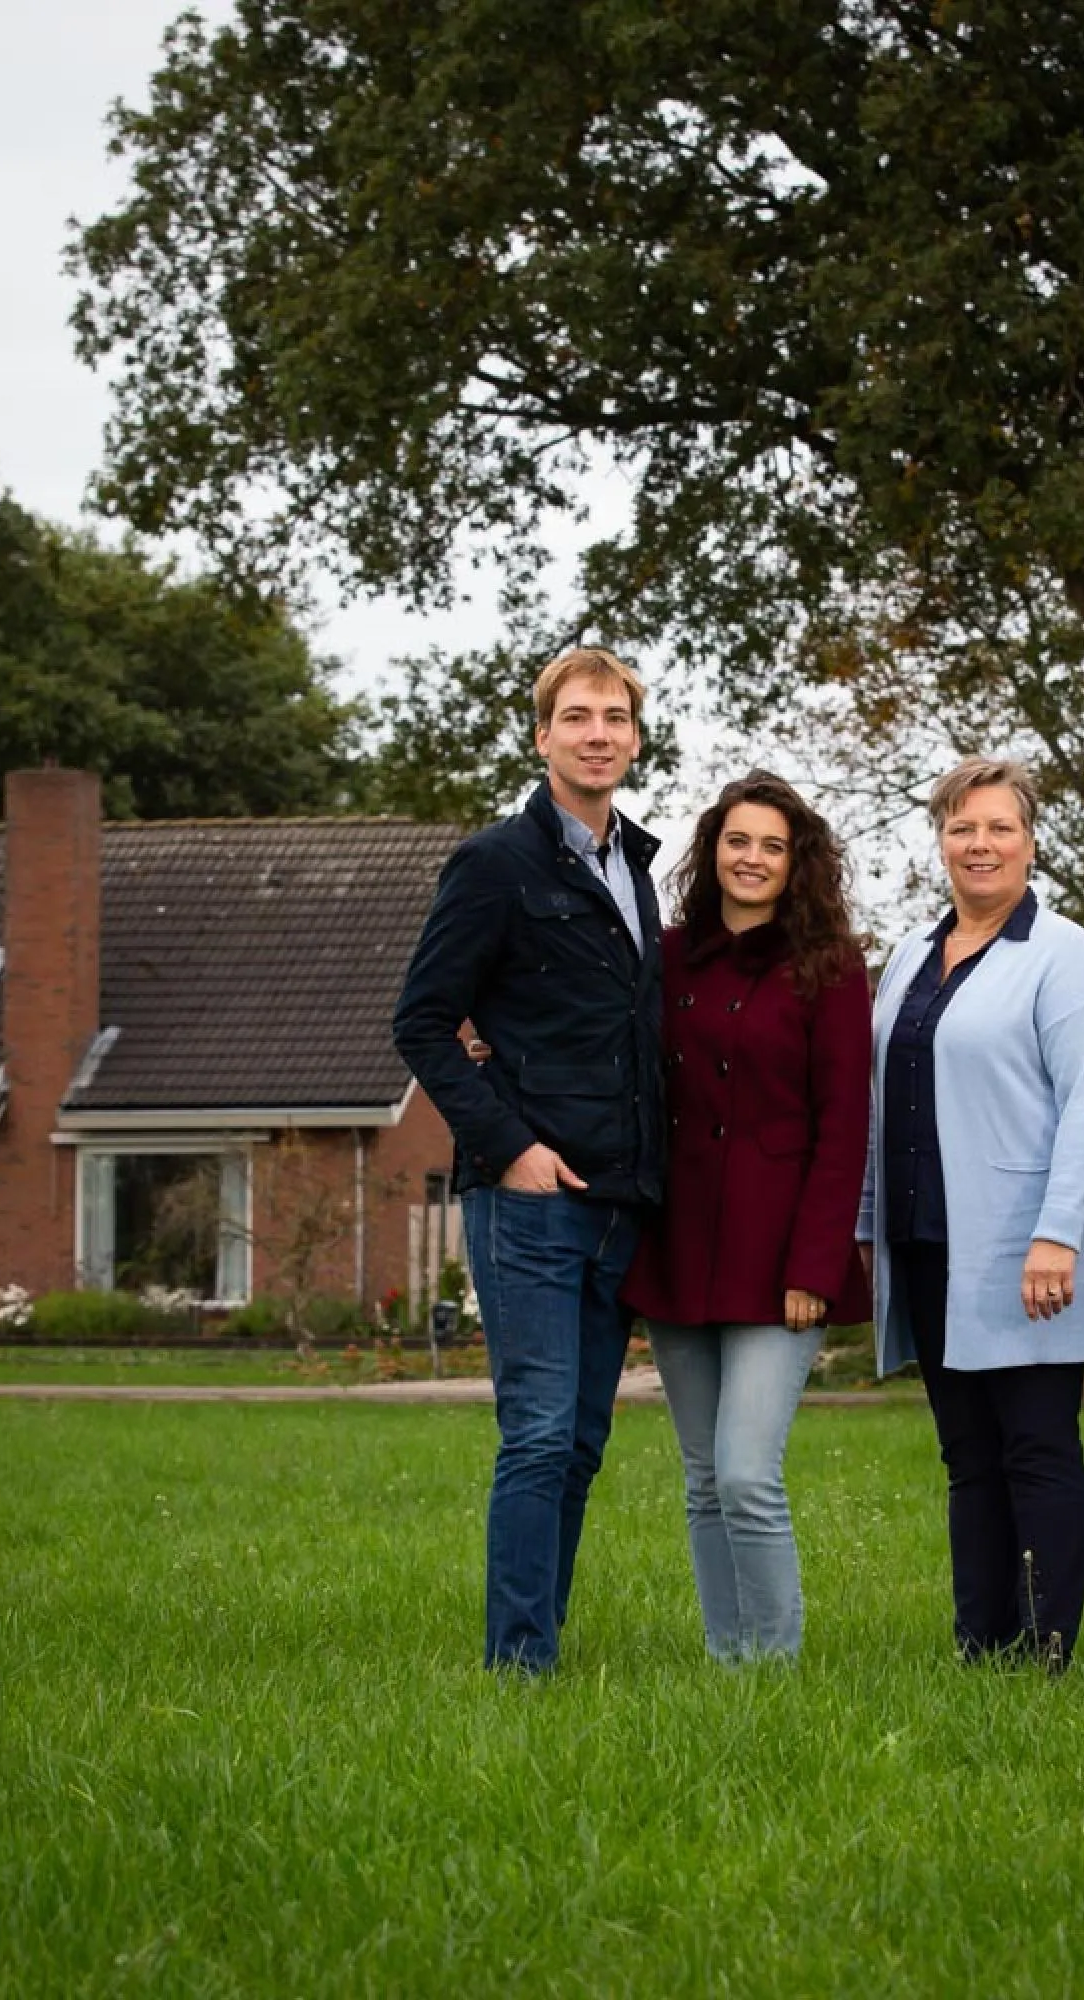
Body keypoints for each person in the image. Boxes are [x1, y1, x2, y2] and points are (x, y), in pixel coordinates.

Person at [391, 645, 663, 1676]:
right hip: (529, 1202)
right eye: (578, 715)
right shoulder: (495, 862)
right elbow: (420, 1021)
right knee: (540, 1433)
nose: (599, 733)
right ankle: (518, 1661)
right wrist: (508, 1149)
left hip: (617, 1201)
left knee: (583, 1440)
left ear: (634, 738)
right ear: (542, 734)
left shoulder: (635, 865)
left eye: (616, 717)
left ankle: (539, 1638)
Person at [859, 757, 1084, 1672]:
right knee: (968, 1457)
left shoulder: (1066, 956)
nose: (980, 844)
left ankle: (1048, 1649)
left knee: (1037, 1450)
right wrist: (867, 1227)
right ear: (941, 841)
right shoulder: (908, 955)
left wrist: (1057, 1235)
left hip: (1026, 1252)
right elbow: (881, 1098)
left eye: (999, 827)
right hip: (928, 1245)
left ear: (1030, 841)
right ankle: (982, 1644)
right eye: (962, 827)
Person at [622, 773, 872, 1661]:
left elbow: (845, 1130)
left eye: (772, 845)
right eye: (738, 841)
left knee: (744, 1472)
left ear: (796, 861)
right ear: (713, 850)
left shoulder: (832, 970)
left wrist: (816, 1263)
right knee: (700, 1480)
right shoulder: (670, 954)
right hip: (680, 1246)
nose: (753, 859)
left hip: (782, 1260)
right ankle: (728, 1664)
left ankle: (772, 1663)